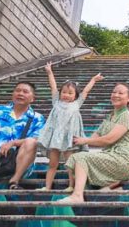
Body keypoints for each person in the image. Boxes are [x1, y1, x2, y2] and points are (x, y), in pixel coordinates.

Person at [56, 83, 129, 205]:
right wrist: (73, 139)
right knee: (77, 156)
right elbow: (94, 138)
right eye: (114, 92)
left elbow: (109, 139)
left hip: (122, 159)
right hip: (109, 157)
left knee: (80, 157)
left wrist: (85, 141)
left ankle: (78, 195)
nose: (115, 95)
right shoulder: (110, 116)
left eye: (120, 93)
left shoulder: (127, 116)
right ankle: (111, 186)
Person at [37, 62, 103, 191]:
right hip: (55, 138)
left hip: (69, 138)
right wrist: (49, 72)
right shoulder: (56, 101)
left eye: (70, 93)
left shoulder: (77, 104)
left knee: (70, 163)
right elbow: (53, 86)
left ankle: (71, 186)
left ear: (75, 96)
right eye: (64, 92)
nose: (66, 95)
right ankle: (47, 186)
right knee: (52, 164)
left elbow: (85, 91)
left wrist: (93, 80)